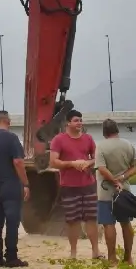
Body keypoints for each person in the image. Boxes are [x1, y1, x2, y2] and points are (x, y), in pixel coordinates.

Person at [49, 110, 101, 260]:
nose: (80, 123)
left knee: (91, 219)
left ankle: (95, 252)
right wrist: (72, 163)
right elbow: (53, 162)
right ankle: (73, 253)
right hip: (69, 187)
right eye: (76, 120)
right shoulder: (58, 140)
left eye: (81, 120)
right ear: (68, 123)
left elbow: (97, 158)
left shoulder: (88, 139)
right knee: (73, 221)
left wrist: (87, 163)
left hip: (88, 185)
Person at [0, 110, 30, 267]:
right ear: (8, 121)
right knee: (12, 221)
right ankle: (11, 257)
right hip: (11, 187)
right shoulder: (12, 138)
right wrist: (26, 183)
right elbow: (18, 162)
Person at [95, 119, 136, 265]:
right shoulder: (128, 144)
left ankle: (112, 258)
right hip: (125, 191)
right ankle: (128, 258)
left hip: (105, 191)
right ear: (117, 130)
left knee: (109, 224)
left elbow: (102, 169)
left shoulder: (101, 146)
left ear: (104, 132)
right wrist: (122, 178)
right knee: (126, 223)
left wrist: (114, 181)